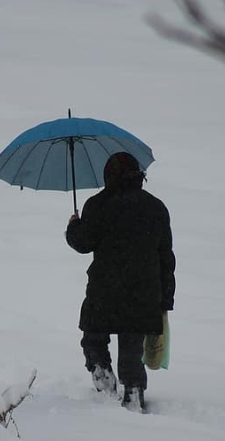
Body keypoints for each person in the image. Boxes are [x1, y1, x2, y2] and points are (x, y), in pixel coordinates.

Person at [66, 151, 176, 413]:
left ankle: (101, 370)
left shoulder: (97, 204)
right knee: (131, 345)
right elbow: (166, 257)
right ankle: (134, 390)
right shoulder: (156, 207)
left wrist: (73, 226)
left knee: (93, 335)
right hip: (144, 291)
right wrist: (166, 299)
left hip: (105, 289)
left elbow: (83, 242)